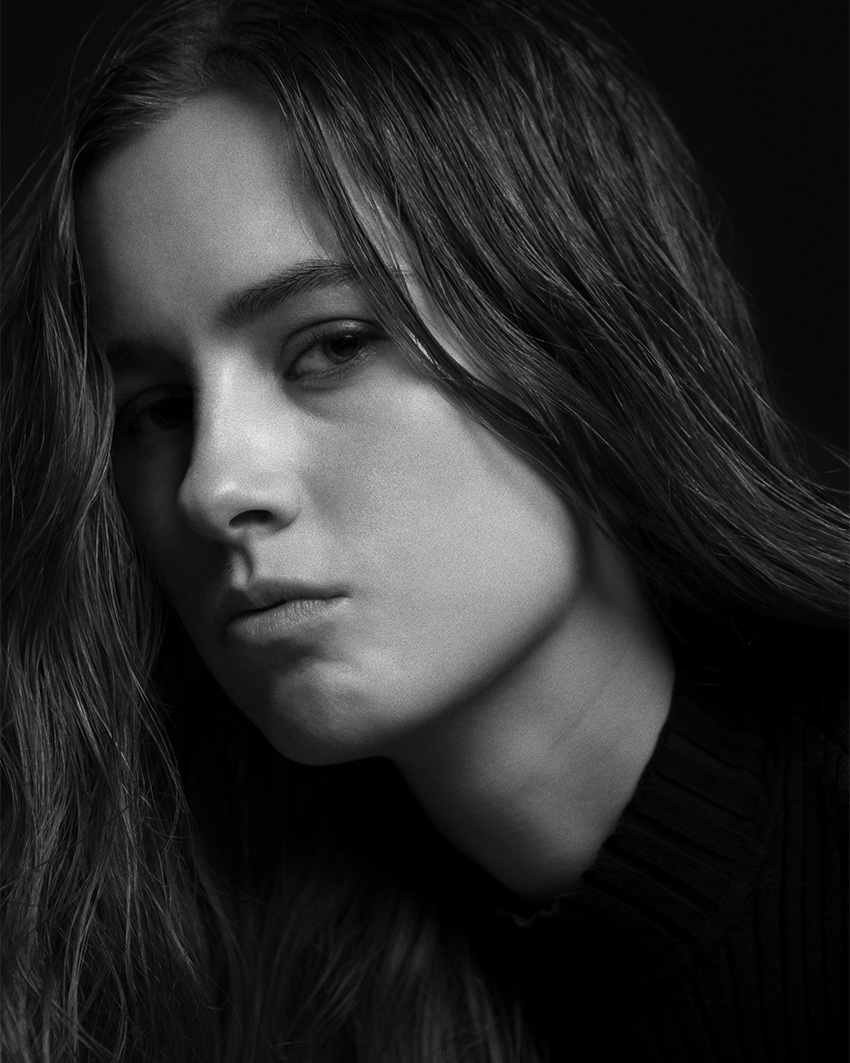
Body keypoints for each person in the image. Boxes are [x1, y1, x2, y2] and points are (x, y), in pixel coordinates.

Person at [2, 1, 846, 1060]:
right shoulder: (212, 970)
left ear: (582, 331)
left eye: (332, 345)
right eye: (160, 410)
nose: (212, 486)